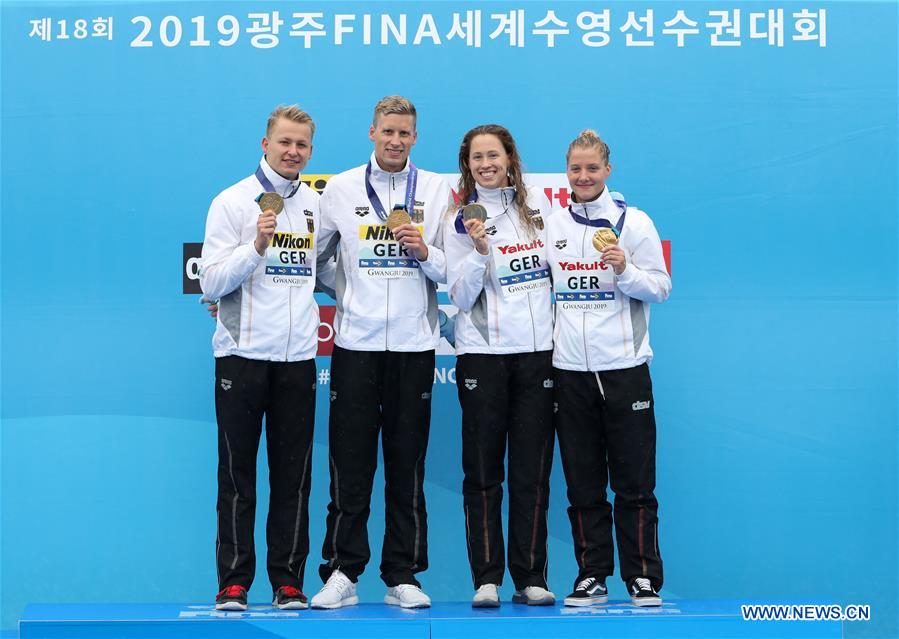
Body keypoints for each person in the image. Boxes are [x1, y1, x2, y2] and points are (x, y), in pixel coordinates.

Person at [309, 96, 453, 609]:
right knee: (349, 462)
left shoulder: (436, 189)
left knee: (406, 462)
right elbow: (314, 259)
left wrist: (424, 251)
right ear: (372, 132)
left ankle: (403, 573)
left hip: (415, 346)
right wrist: (346, 293)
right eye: (387, 131)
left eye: (405, 133)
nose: (395, 140)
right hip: (355, 345)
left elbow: (452, 269)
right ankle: (342, 571)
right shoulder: (341, 188)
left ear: (416, 137)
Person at [199, 105, 322, 611]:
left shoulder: (315, 203)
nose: (293, 152)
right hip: (241, 357)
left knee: (293, 477)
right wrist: (255, 246)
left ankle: (288, 580)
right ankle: (234, 582)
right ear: (265, 144)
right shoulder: (231, 202)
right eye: (285, 143)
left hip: (297, 360)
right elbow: (209, 282)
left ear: (310, 151)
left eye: (303, 145)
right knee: (237, 477)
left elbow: (327, 272)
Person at [545, 130, 671, 608]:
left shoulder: (633, 222)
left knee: (635, 482)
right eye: (575, 169)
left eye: (592, 168)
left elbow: (660, 288)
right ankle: (591, 574)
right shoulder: (554, 224)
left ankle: (642, 577)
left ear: (608, 171)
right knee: (582, 482)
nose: (583, 177)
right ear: (567, 172)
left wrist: (624, 270)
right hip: (571, 370)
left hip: (625, 368)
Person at [442, 125, 556, 607]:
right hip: (482, 357)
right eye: (476, 158)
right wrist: (480, 251)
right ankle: (485, 578)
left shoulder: (539, 209)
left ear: (510, 157)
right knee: (483, 472)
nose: (486, 164)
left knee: (532, 471)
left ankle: (530, 576)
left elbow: (560, 272)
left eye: (493, 155)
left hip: (537, 356)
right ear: (467, 165)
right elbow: (461, 296)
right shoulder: (457, 218)